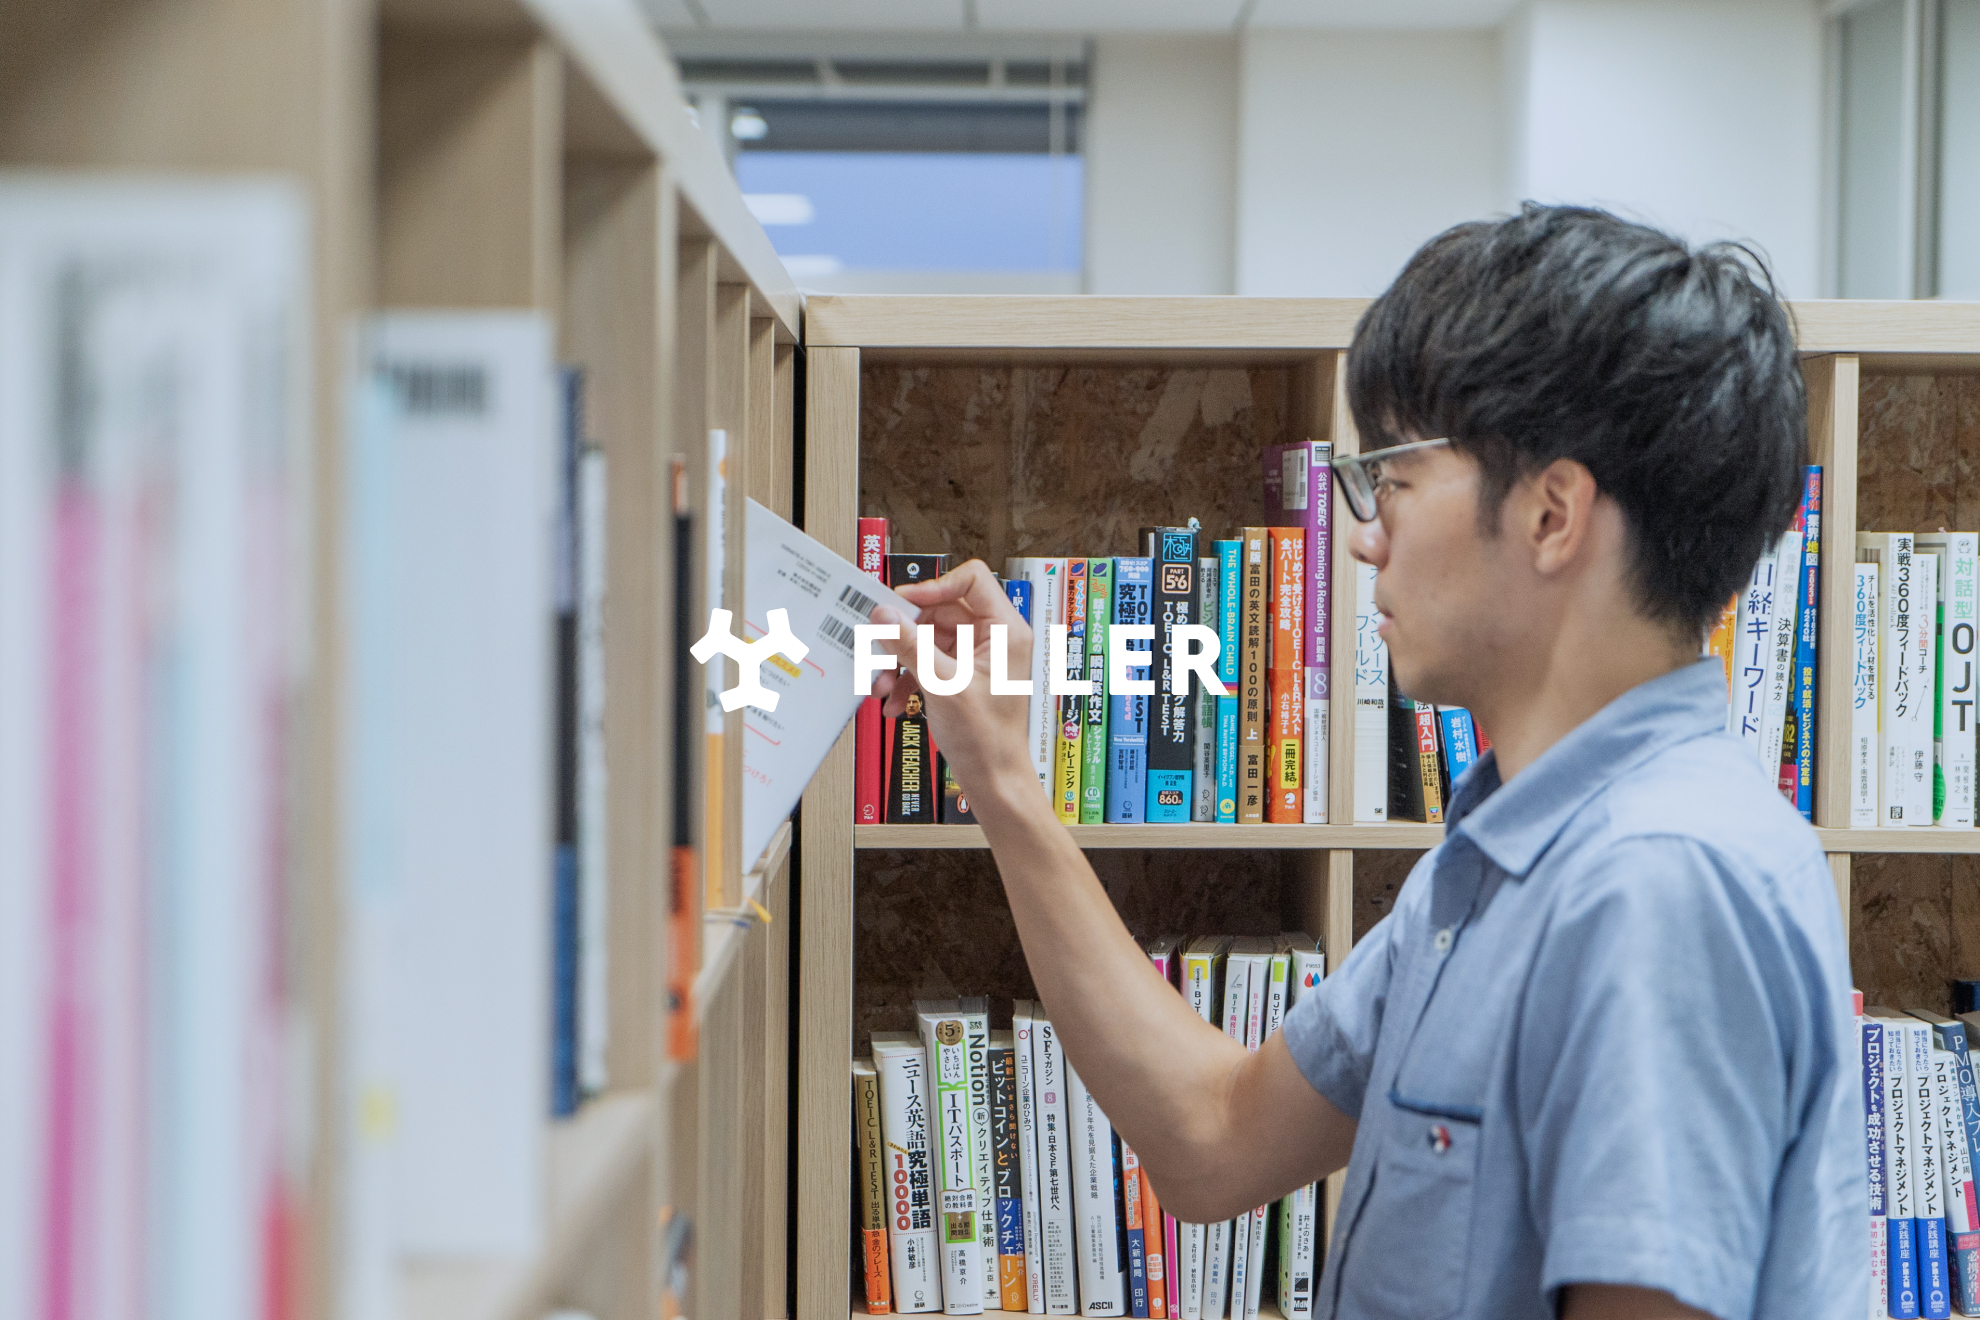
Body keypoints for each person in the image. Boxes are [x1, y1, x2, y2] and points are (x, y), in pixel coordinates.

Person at [870, 203, 1864, 1320]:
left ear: (1551, 515)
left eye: (1393, 475)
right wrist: (1000, 775)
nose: (1362, 533)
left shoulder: (1660, 887)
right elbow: (1213, 1138)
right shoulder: (1504, 858)